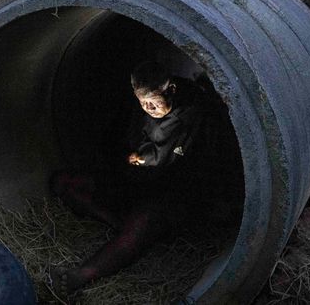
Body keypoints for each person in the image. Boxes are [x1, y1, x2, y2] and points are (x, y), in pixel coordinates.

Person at [49, 60, 217, 297]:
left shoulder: (191, 111)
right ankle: (116, 221)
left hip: (169, 190)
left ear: (171, 89)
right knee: (64, 183)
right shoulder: (140, 109)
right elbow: (121, 144)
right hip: (132, 181)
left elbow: (174, 159)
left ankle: (81, 275)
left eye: (154, 101)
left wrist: (141, 159)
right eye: (143, 102)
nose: (149, 107)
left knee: (142, 224)